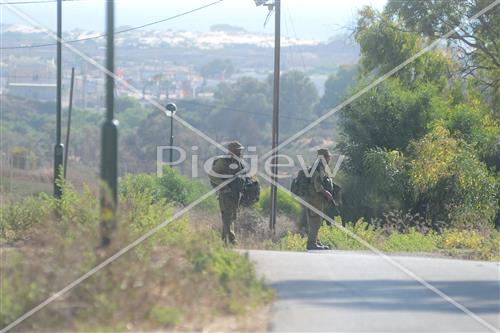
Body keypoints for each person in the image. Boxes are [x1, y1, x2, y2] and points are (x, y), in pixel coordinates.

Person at [209, 141, 245, 245]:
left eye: (240, 150)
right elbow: (212, 174)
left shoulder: (238, 161)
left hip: (235, 193)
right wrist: (222, 185)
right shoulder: (223, 161)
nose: (240, 152)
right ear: (232, 151)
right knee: (227, 216)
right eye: (238, 150)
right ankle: (232, 240)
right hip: (226, 193)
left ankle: (225, 241)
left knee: (232, 216)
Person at [305, 148, 335, 250]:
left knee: (317, 220)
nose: (329, 158)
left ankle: (316, 242)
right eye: (328, 156)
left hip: (316, 199)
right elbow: (317, 185)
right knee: (315, 221)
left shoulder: (320, 166)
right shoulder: (317, 167)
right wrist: (326, 192)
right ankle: (312, 244)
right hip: (314, 199)